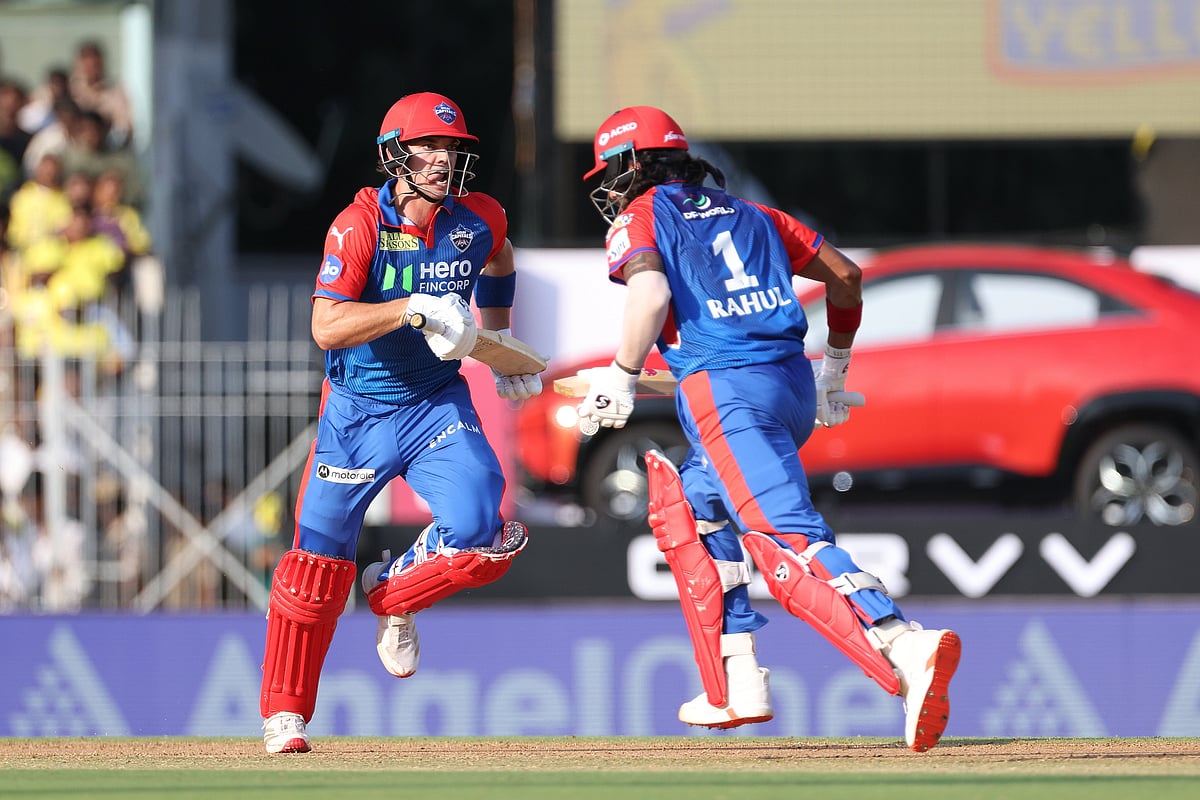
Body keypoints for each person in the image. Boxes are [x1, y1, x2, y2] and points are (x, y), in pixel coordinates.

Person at [578, 106, 961, 752]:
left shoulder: (640, 216)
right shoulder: (753, 213)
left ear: (632, 166)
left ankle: (903, 642)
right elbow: (846, 276)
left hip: (726, 396)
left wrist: (620, 374)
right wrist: (833, 374)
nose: (609, 189)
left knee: (787, 537)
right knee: (691, 510)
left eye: (613, 174)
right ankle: (736, 684)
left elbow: (648, 298)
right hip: (787, 384)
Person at [259, 92, 541, 754]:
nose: (445, 160)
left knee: (483, 533)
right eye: (431, 148)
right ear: (396, 156)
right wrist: (410, 307)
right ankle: (286, 713)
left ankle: (394, 594)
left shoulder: (480, 218)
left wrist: (500, 349)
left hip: (436, 403)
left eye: (454, 149)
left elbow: (500, 258)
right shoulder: (358, 224)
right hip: (357, 412)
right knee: (315, 566)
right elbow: (326, 326)